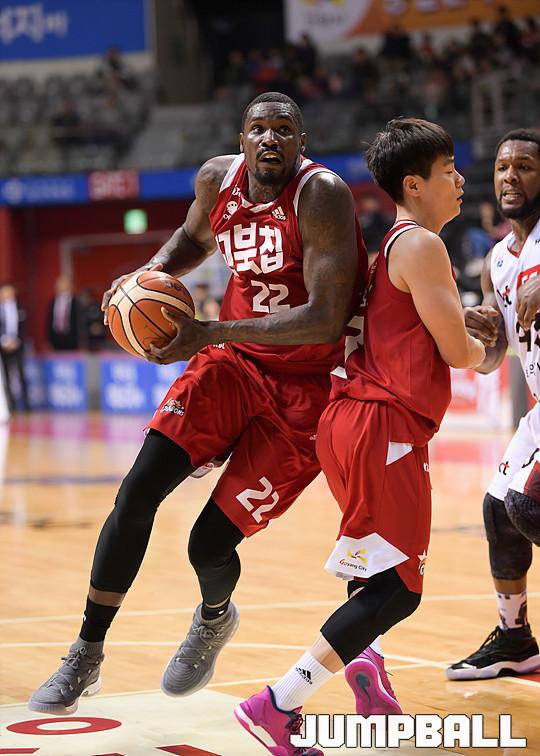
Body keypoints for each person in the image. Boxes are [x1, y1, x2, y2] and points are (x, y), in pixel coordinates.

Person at [28, 92, 367, 715]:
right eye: (258, 129)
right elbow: (191, 238)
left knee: (207, 544)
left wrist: (208, 331)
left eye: (283, 130)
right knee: (136, 493)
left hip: (305, 391)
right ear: (241, 140)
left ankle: (214, 617)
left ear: (301, 142)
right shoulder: (217, 181)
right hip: (231, 366)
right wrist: (148, 276)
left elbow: (324, 318)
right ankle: (85, 652)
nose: (270, 139)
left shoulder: (321, 195)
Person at [235, 117, 485, 755]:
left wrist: (466, 325)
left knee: (375, 570)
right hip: (382, 425)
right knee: (399, 589)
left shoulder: (391, 247)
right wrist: (494, 347)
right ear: (414, 184)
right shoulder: (422, 245)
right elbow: (460, 353)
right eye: (449, 170)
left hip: (351, 421)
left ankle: (367, 669)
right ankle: (277, 704)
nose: (461, 180)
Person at [447, 128, 540, 681]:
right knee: (499, 511)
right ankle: (514, 639)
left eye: (525, 166)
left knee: (529, 507)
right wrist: (478, 338)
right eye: (504, 167)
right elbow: (491, 361)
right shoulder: (497, 262)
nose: (510, 176)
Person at [0, 283, 28, 411]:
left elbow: (24, 327)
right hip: (3, 347)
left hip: (18, 345)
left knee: (21, 374)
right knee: (6, 376)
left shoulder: (20, 308)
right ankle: (11, 406)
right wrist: (4, 341)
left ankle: (26, 405)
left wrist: (15, 341)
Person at [47, 274, 80, 351]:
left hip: (71, 339)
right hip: (56, 338)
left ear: (69, 285)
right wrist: (48, 339)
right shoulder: (53, 301)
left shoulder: (76, 302)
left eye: (62, 283)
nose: (59, 286)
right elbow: (50, 321)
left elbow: (79, 321)